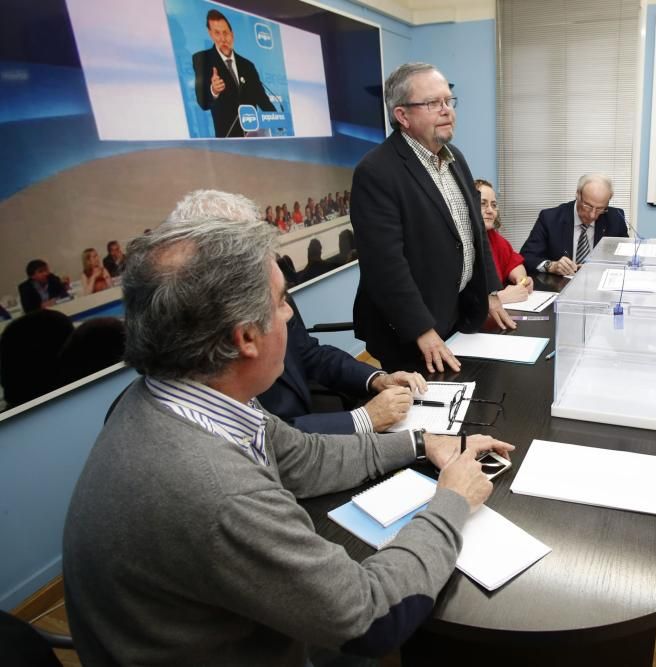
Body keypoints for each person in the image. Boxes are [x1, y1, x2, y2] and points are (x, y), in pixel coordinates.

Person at [62, 215, 514, 665]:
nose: (290, 314)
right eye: (281, 301)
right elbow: (370, 617)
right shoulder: (220, 492)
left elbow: (302, 457)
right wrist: (452, 502)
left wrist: (419, 443)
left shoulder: (187, 395)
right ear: (246, 337)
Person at [168, 189, 424, 436]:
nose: (287, 311)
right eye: (249, 252)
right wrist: (365, 418)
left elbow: (309, 353)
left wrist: (376, 379)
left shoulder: (269, 289)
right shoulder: (193, 351)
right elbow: (269, 440)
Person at [351, 62, 514, 374]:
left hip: (456, 312)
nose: (446, 110)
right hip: (409, 332)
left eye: (448, 101)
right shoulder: (376, 172)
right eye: (433, 103)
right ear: (403, 116)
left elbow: (475, 234)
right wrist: (422, 330)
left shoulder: (455, 158)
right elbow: (384, 265)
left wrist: (490, 292)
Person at [519, 173, 629, 276]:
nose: (592, 215)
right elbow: (527, 257)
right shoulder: (550, 218)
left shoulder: (616, 218)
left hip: (598, 283)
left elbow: (626, 259)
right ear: (578, 195)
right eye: (588, 206)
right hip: (560, 285)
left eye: (600, 209)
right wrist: (551, 266)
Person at [192, 9, 276, 138]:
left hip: (253, 139)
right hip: (228, 141)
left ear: (232, 34)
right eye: (217, 33)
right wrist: (214, 90)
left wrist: (279, 123)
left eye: (225, 33)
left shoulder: (247, 65)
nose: (223, 39)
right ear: (210, 34)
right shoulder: (203, 59)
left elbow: (263, 100)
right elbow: (203, 104)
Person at [474, 179, 532, 304]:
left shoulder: (492, 236)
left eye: (494, 205)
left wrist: (521, 279)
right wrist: (499, 298)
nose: (490, 210)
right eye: (483, 204)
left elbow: (513, 263)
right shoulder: (456, 244)